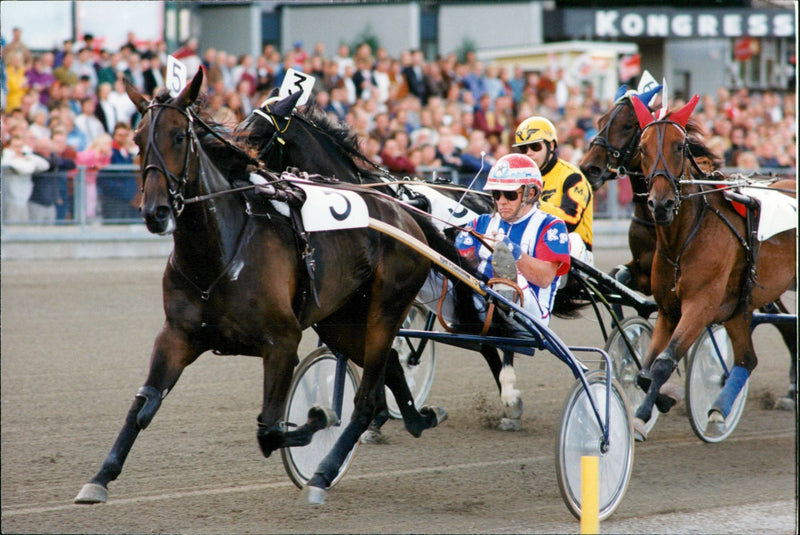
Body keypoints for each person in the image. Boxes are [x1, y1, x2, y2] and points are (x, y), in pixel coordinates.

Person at [454, 153, 571, 326]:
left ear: (530, 194)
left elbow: (545, 278)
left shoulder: (550, 226)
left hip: (530, 315)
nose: (501, 201)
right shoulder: (480, 222)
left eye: (509, 194)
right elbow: (462, 266)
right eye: (497, 194)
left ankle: (502, 298)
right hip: (479, 302)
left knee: (511, 275)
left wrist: (514, 254)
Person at [513, 116, 594, 266]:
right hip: (534, 248)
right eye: (523, 149)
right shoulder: (519, 179)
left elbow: (570, 221)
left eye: (535, 147)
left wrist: (533, 203)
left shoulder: (572, 177)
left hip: (572, 252)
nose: (529, 153)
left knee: (573, 241)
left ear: (551, 146)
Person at [1, 134, 50, 223]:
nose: (18, 149)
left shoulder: (25, 156)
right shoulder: (7, 159)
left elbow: (45, 165)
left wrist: (28, 156)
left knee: (24, 230)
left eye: (20, 146)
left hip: (24, 200)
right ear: (9, 147)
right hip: (11, 201)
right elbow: (27, 169)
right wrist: (26, 160)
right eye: (15, 146)